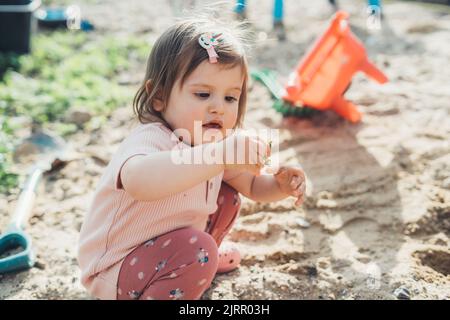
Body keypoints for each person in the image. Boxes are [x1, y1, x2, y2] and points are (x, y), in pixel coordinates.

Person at [77, 18, 306, 300]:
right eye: (202, 94)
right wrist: (219, 155)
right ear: (159, 97)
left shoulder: (214, 142)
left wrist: (279, 187)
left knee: (228, 195)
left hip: (169, 246)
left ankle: (194, 259)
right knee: (199, 250)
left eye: (230, 98)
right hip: (117, 268)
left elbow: (252, 186)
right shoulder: (151, 139)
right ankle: (191, 261)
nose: (218, 108)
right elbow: (139, 181)